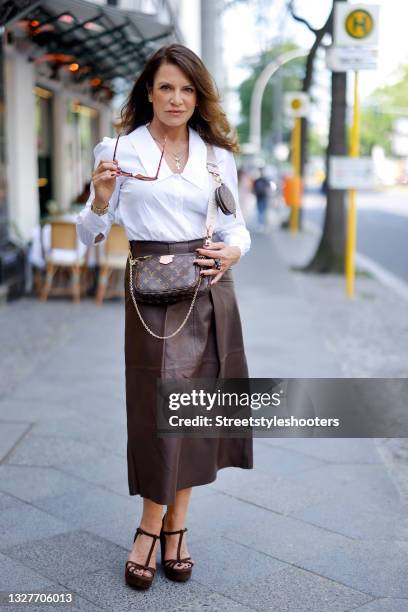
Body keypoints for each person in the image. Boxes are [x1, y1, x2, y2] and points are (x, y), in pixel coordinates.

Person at [76, 43, 253, 590]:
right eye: (166, 88)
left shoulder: (215, 156)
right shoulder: (120, 149)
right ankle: (150, 530)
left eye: (186, 89)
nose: (176, 99)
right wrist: (102, 197)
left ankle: (176, 528)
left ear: (197, 96)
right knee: (159, 418)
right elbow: (90, 234)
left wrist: (232, 252)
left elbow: (237, 229)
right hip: (152, 298)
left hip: (209, 292)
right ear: (148, 93)